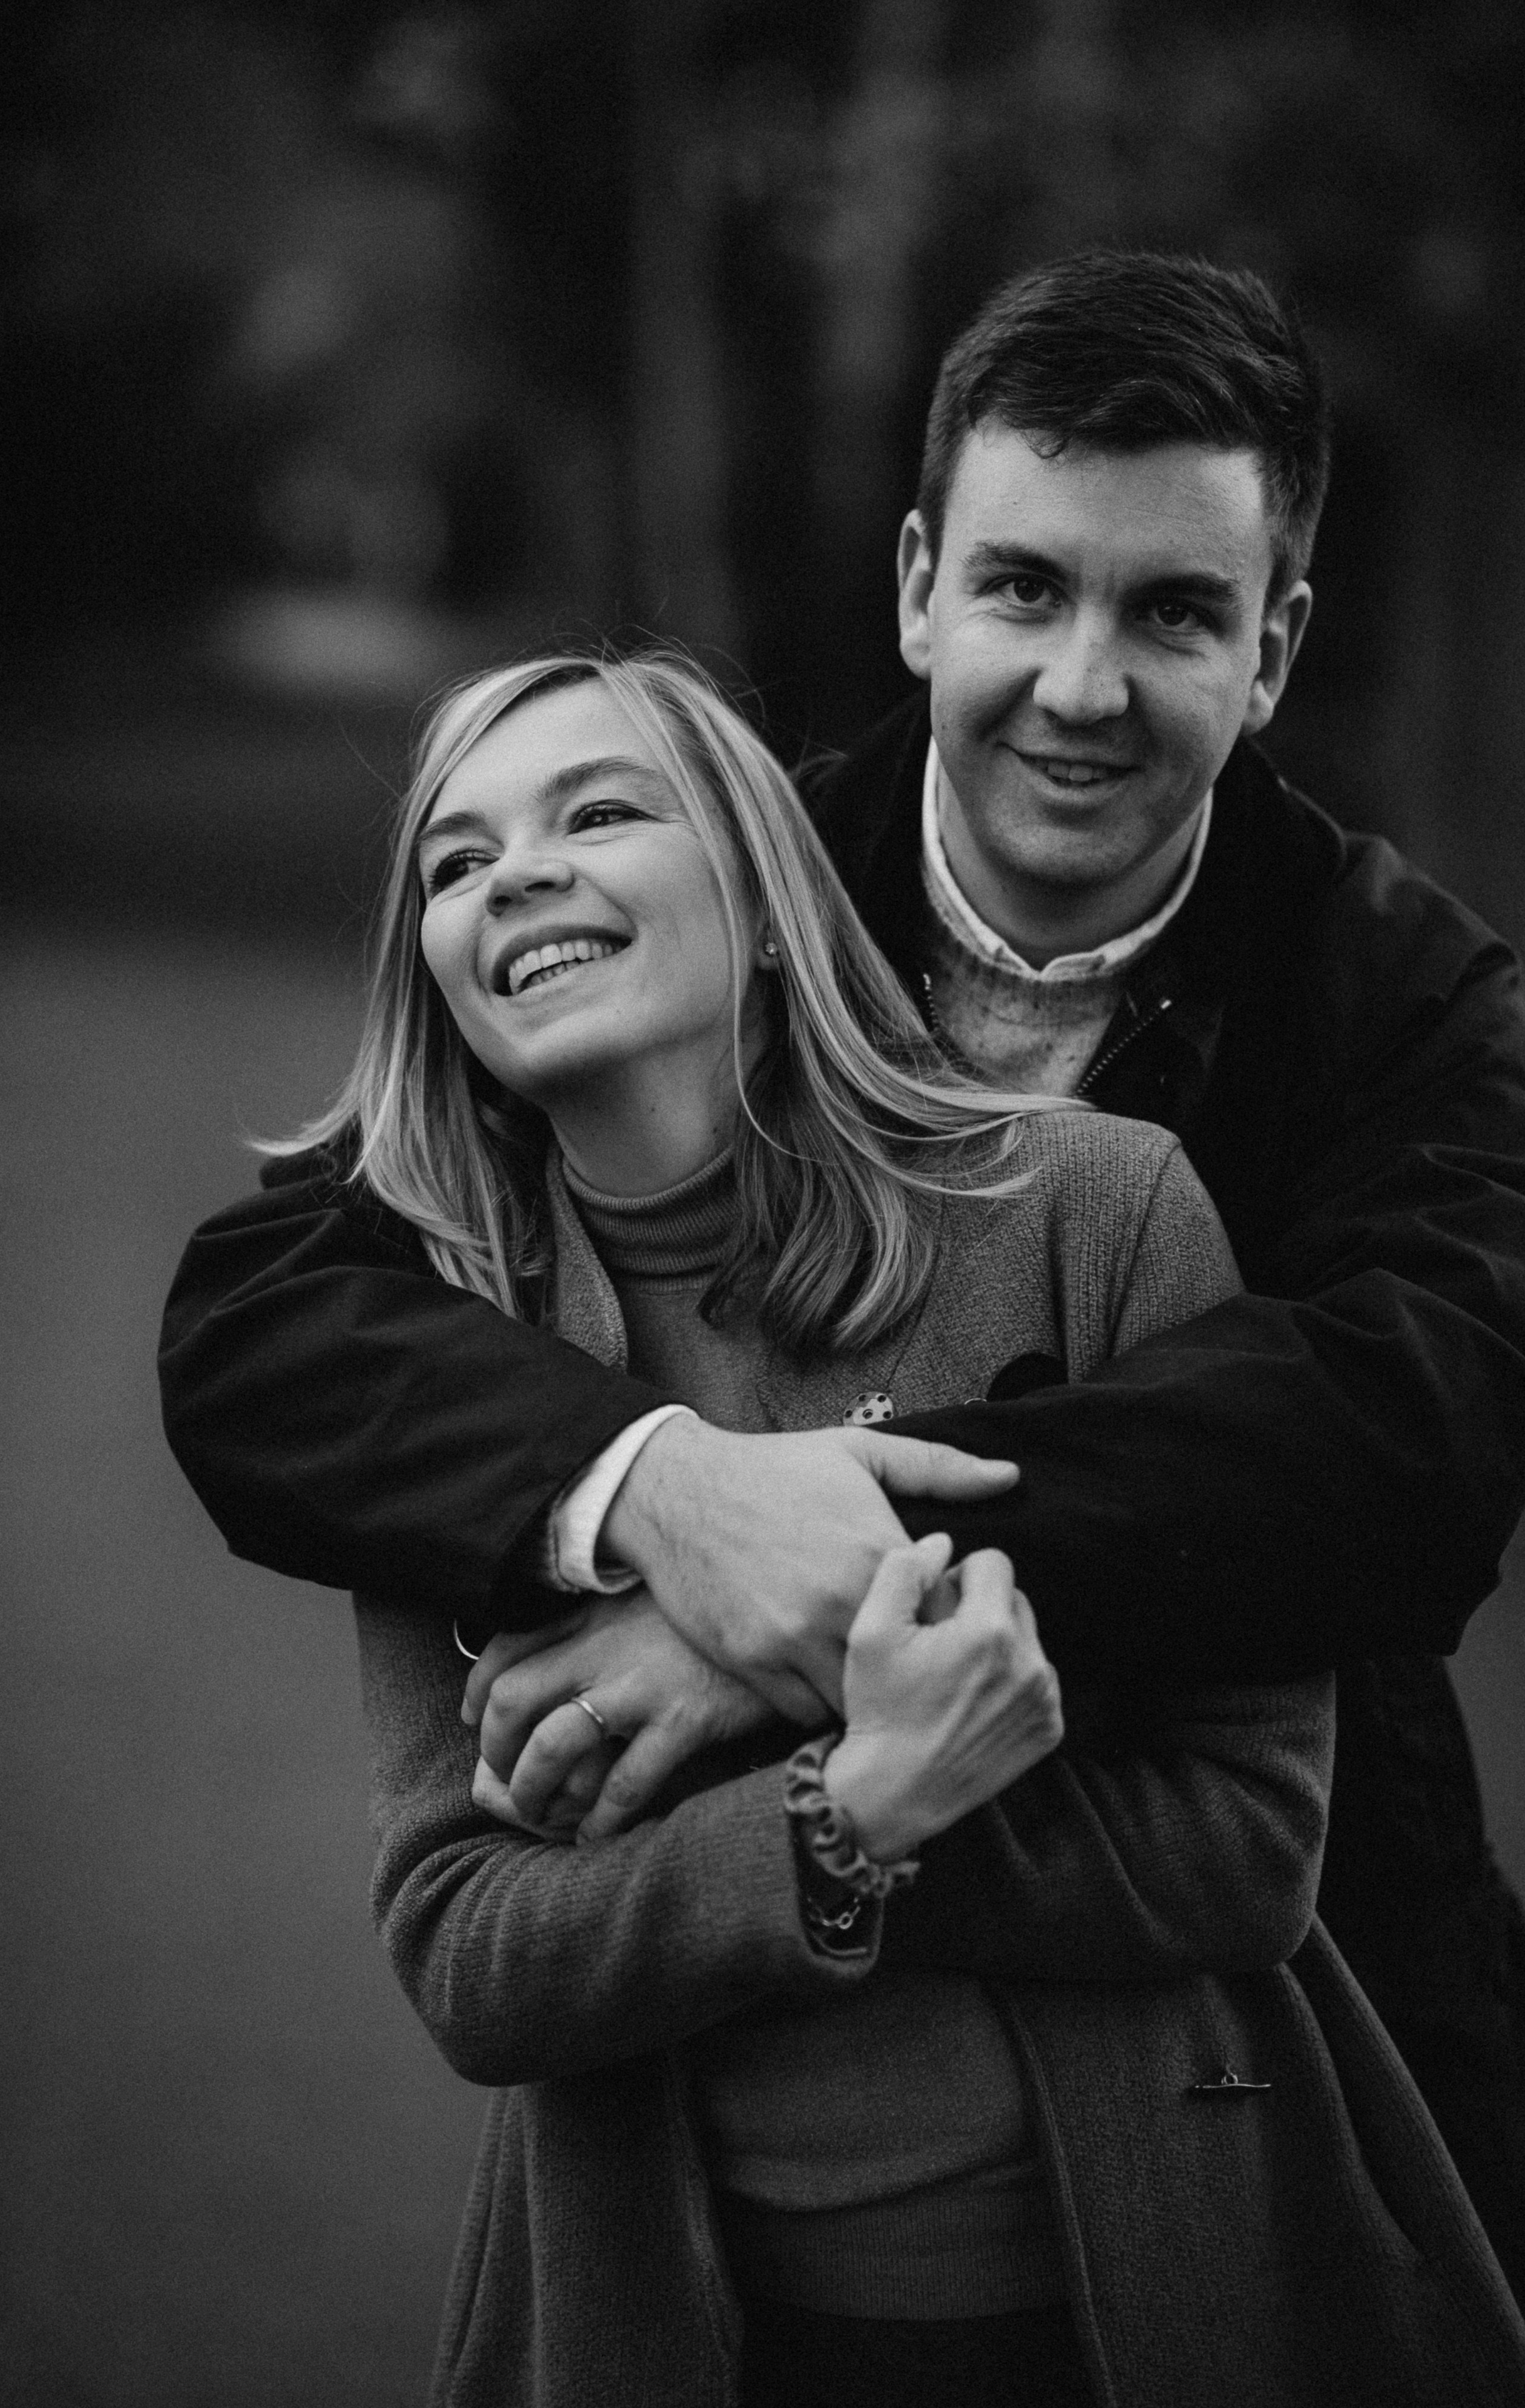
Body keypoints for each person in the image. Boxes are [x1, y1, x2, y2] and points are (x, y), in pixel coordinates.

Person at [159, 253, 1525, 2288]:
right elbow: (273, 1315)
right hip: (736, 2159)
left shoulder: (1410, 1006)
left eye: (1174, 612)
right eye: (1022, 587)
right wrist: (666, 1493)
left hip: (1298, 2007)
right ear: (915, 586)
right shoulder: (718, 896)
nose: (1080, 684)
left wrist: (767, 1604)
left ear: (1276, 648)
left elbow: (1405, 1445)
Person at [322, 645, 1518, 2405]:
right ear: (436, 970)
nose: (522, 874)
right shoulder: (433, 1362)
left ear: (761, 881)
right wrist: (845, 1818)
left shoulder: (1096, 1209)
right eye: (458, 858)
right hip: (686, 2322)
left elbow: (1249, 1843)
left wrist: (797, 1756)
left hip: (1161, 2294)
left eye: (599, 811)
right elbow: (473, 1954)